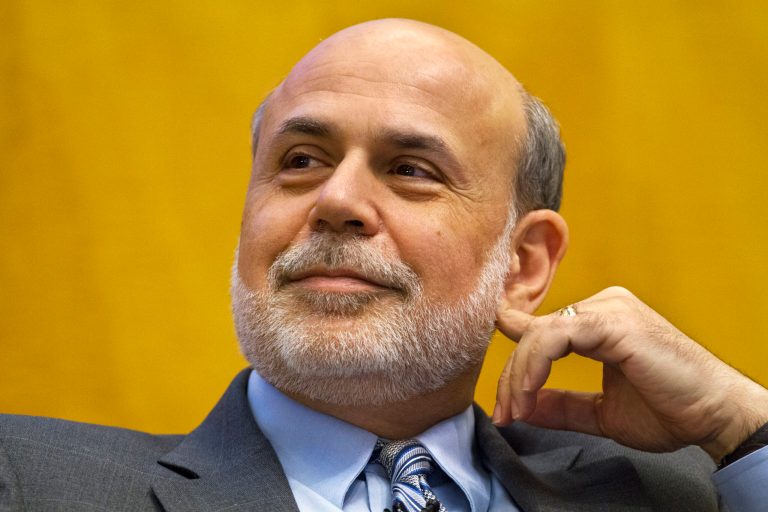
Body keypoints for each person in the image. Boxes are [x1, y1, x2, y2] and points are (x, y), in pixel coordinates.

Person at [1, 18, 766, 512]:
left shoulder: (683, 493)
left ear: (523, 265)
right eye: (301, 160)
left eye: (410, 170)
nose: (336, 200)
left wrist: (743, 427)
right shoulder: (31, 481)